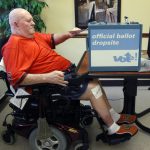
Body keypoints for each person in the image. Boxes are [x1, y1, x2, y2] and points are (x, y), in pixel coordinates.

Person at [2, 8, 138, 140]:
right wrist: (47, 77)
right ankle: (113, 129)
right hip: (51, 82)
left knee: (94, 78)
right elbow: (16, 78)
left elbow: (52, 39)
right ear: (16, 24)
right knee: (93, 88)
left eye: (32, 20)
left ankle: (113, 116)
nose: (33, 23)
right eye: (28, 21)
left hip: (66, 73)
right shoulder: (14, 46)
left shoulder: (32, 36)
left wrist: (69, 34)